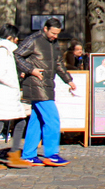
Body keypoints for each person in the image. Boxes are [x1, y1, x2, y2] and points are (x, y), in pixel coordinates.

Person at [14, 17, 76, 166]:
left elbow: (58, 63)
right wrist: (31, 70)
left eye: (57, 34)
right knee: (52, 119)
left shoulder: (53, 43)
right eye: (53, 33)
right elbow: (17, 55)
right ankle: (51, 154)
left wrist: (68, 79)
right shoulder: (33, 40)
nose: (55, 36)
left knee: (37, 120)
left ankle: (28, 154)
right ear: (45, 29)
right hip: (36, 83)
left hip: (47, 84)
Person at [0, 24, 34, 170]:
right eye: (16, 37)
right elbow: (3, 74)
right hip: (5, 92)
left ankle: (12, 154)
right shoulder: (3, 50)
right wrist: (15, 83)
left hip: (5, 92)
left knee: (18, 121)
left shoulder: (0, 49)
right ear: (10, 37)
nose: (17, 41)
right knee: (0, 124)